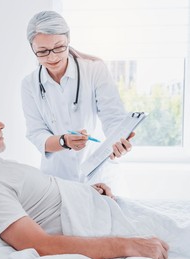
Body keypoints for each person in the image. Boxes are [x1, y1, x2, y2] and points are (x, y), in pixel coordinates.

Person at [0, 96, 169, 259]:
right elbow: (40, 245)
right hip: (103, 220)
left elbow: (47, 196)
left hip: (98, 203)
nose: (0, 124)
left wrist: (88, 191)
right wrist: (127, 245)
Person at [21, 11, 135, 183]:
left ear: (68, 40)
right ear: (32, 49)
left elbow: (113, 117)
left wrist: (118, 140)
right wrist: (63, 141)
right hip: (55, 178)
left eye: (59, 47)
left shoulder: (94, 70)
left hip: (98, 175)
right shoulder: (29, 84)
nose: (52, 57)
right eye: (43, 51)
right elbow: (37, 133)